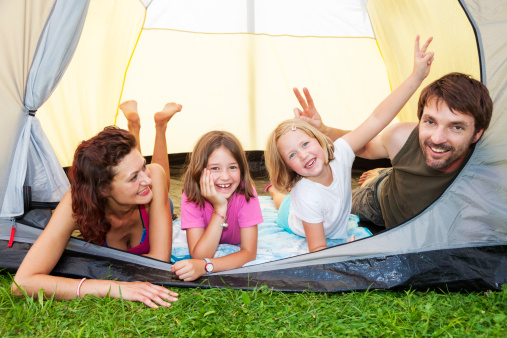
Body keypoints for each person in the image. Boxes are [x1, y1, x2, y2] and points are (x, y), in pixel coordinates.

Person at [264, 36, 434, 252]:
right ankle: (272, 192)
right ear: (288, 166)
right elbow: (318, 249)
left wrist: (415, 77)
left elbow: (376, 119)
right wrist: (345, 251)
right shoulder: (306, 195)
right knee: (283, 205)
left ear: (319, 138)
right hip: (294, 216)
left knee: (288, 202)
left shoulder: (341, 153)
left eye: (305, 144)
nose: (303, 155)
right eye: (292, 155)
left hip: (315, 210)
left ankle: (276, 194)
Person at [12, 101, 181, 309]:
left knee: (158, 176)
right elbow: (23, 283)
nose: (146, 180)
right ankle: (136, 127)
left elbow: (158, 264)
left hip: (156, 207)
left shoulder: (152, 179)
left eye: (142, 166)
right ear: (102, 189)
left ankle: (157, 128)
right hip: (131, 202)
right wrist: (111, 288)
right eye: (132, 178)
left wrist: (141, 175)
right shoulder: (76, 203)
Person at [294, 73, 493, 230]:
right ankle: (381, 176)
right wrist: (324, 131)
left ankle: (385, 171)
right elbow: (362, 146)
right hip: (379, 200)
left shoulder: (485, 173)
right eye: (430, 121)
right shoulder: (401, 137)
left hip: (410, 186)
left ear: (476, 134)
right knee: (332, 208)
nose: (437, 138)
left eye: (456, 127)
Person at [171, 131, 263, 281]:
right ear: (199, 170)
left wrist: (207, 266)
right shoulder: (191, 195)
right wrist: (220, 207)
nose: (225, 177)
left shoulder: (246, 192)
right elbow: (199, 255)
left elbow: (249, 253)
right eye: (215, 168)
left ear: (242, 169)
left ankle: (272, 190)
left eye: (232, 167)